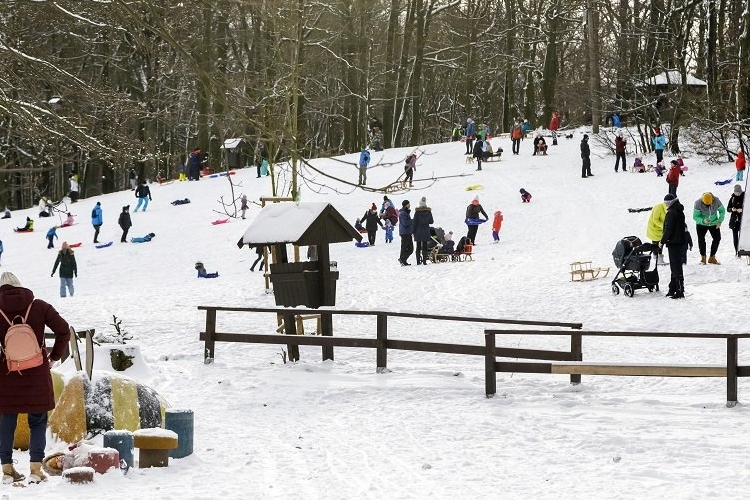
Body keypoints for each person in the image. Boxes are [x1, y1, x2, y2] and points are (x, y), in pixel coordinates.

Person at [0, 271, 70, 484]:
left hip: (7, 372)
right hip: (37, 371)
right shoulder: (39, 306)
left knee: (7, 419)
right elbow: (64, 330)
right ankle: (36, 469)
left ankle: (7, 469)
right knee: (38, 420)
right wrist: (54, 356)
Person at [659, 195, 686, 298]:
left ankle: (679, 290)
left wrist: (662, 241)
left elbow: (668, 229)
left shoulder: (671, 213)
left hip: (673, 243)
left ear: (670, 202)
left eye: (666, 203)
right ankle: (673, 288)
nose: (665, 205)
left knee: (676, 267)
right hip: (679, 242)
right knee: (675, 266)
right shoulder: (679, 211)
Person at [693, 192, 725, 265]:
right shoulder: (697, 203)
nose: (707, 205)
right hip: (701, 224)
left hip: (714, 223)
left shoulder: (716, 201)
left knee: (717, 238)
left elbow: (722, 211)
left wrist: (720, 221)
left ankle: (712, 257)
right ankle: (703, 257)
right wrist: (702, 220)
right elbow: (695, 216)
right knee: (701, 239)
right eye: (705, 204)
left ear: (712, 200)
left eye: (709, 204)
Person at [647, 195, 670, 265]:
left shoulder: (669, 209)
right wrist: (664, 226)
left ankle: (660, 258)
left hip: (661, 229)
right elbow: (655, 220)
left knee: (661, 243)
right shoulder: (659, 207)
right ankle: (657, 258)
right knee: (656, 244)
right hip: (654, 229)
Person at [412, 197, 434, 265]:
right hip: (426, 231)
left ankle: (418, 262)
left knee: (418, 247)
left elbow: (414, 223)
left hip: (418, 232)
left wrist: (413, 231)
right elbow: (431, 221)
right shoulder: (428, 211)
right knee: (424, 246)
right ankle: (424, 262)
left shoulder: (417, 212)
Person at [727, 184, 745, 256]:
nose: (737, 194)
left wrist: (742, 210)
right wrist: (732, 209)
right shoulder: (732, 198)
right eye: (735, 192)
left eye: (738, 192)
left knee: (742, 237)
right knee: (735, 237)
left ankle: (743, 250)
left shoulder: (745, 197)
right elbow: (728, 208)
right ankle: (736, 251)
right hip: (734, 221)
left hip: (742, 221)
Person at [398, 200, 414, 266]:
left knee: (409, 248)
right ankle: (402, 259)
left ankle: (403, 260)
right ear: (406, 205)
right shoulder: (403, 213)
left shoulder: (405, 212)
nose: (409, 205)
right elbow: (405, 223)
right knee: (407, 248)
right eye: (409, 204)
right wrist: (412, 220)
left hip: (407, 232)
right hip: (405, 233)